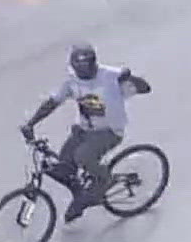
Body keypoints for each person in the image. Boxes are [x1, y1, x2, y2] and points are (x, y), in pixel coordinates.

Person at [21, 43, 153, 221]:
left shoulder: (111, 76)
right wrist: (31, 123)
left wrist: (131, 78)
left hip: (109, 131)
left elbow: (145, 88)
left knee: (83, 156)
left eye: (86, 67)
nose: (82, 71)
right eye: (78, 68)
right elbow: (52, 102)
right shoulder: (72, 82)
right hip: (83, 129)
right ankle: (81, 198)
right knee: (64, 166)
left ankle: (105, 180)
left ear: (94, 64)